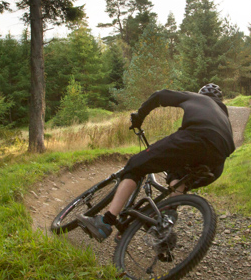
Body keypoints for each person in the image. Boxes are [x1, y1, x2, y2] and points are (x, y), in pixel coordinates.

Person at [76, 83, 235, 241]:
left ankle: (106, 222)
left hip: (194, 138)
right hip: (217, 161)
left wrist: (139, 116)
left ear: (201, 94)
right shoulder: (224, 117)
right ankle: (165, 223)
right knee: (179, 177)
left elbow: (160, 95)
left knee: (135, 166)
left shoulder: (196, 97)